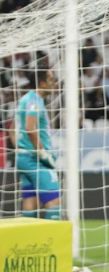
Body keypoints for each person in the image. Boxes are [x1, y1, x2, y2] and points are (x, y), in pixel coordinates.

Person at [15, 71, 60, 220]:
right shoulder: (34, 101)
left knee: (30, 200)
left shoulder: (26, 99)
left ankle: (26, 241)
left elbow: (11, 129)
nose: (54, 83)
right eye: (51, 79)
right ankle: (53, 242)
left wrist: (21, 148)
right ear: (42, 82)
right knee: (54, 202)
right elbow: (30, 128)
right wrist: (42, 152)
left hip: (23, 157)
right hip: (35, 159)